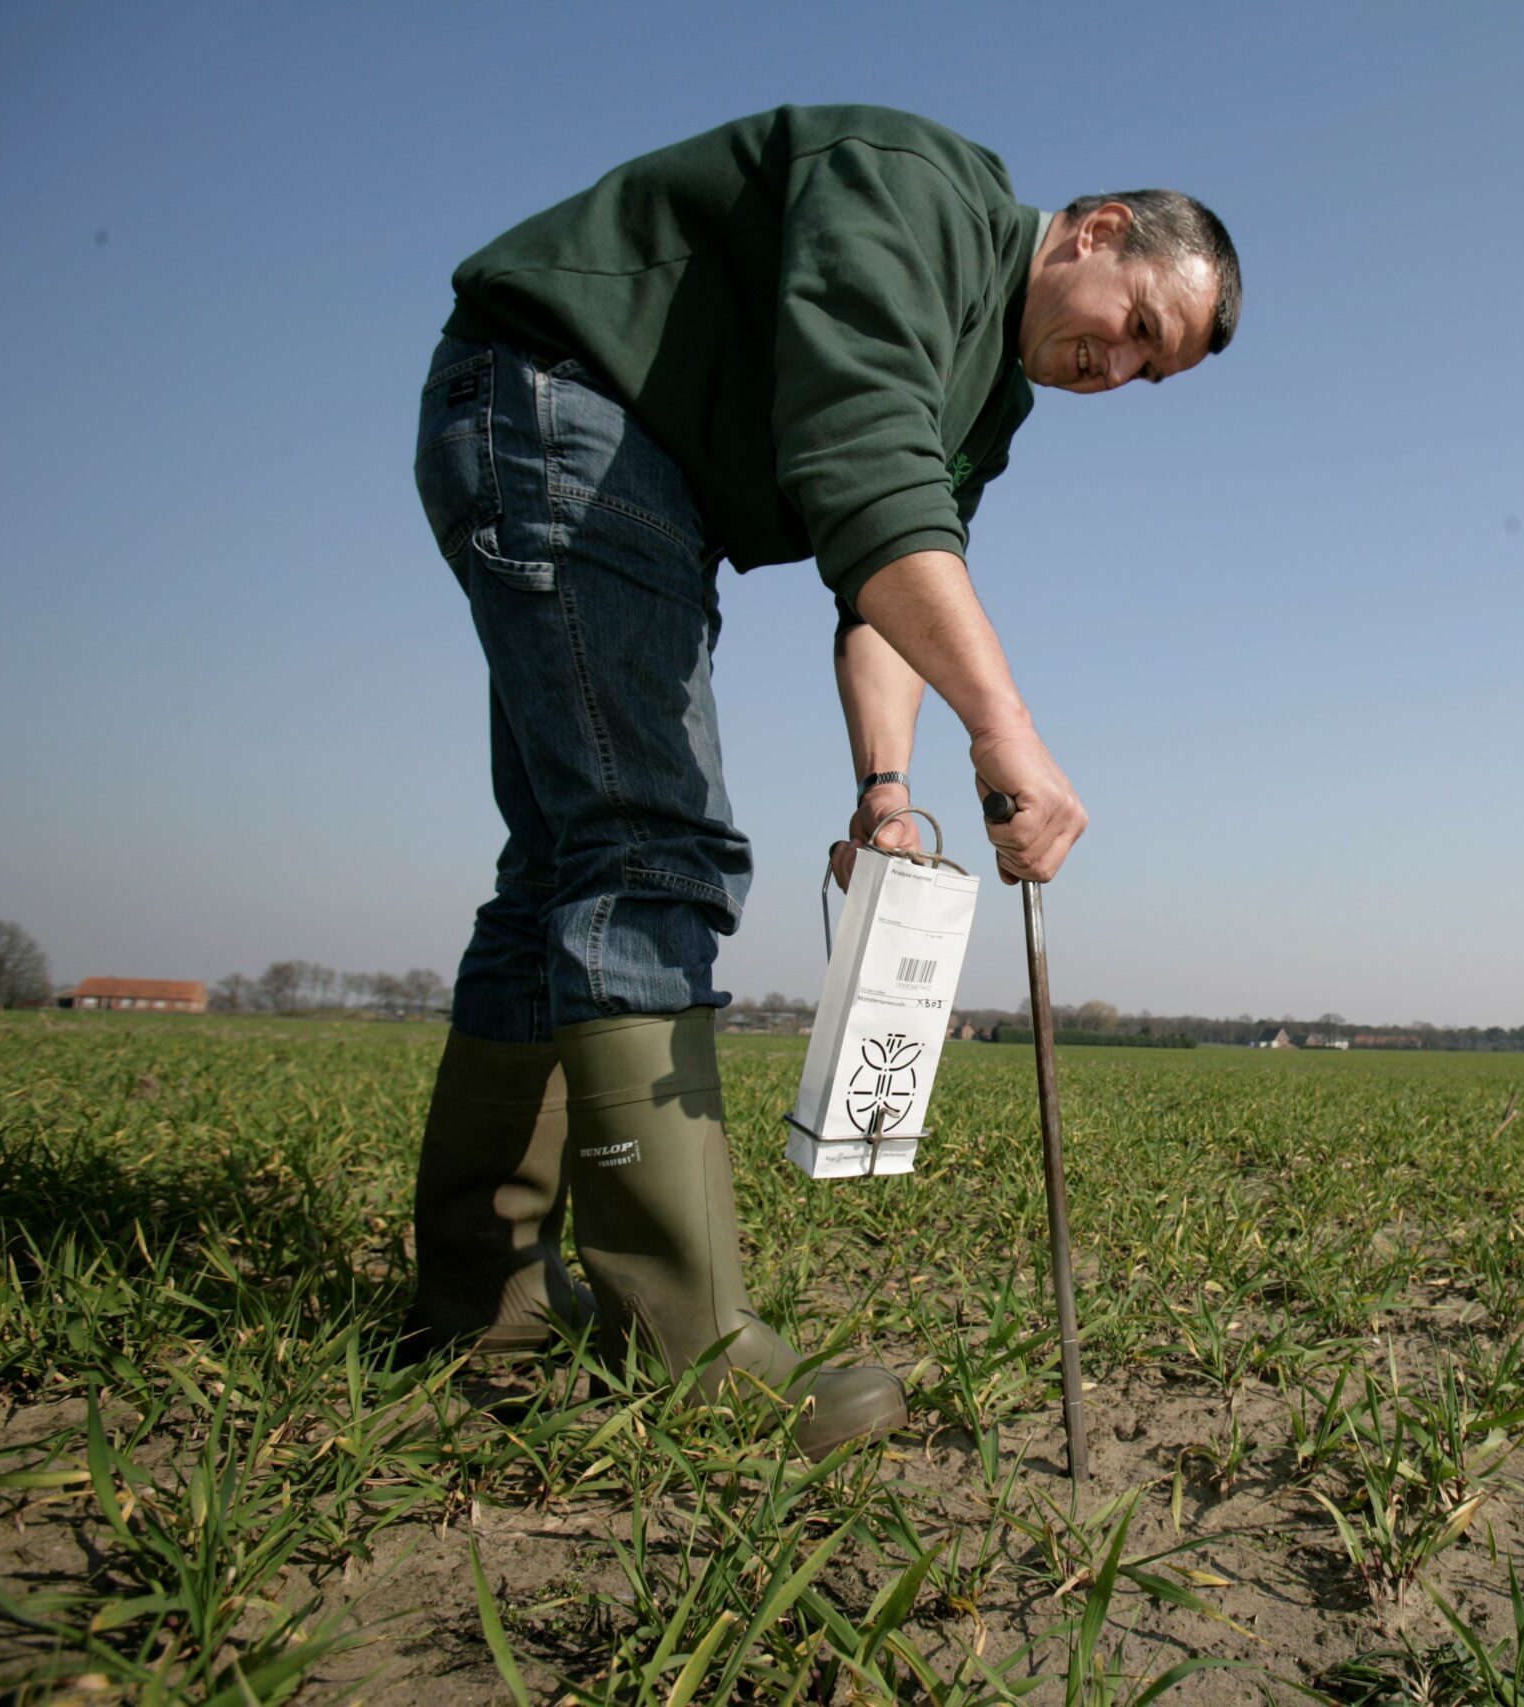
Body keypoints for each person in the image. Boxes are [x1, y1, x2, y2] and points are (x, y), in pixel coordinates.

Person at [393, 105, 1241, 1456]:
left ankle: (476, 1309)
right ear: (1095, 232)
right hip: (567, 407)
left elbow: (887, 587)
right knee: (649, 846)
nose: (1120, 369)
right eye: (1137, 324)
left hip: (612, 458)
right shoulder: (918, 193)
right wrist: (1003, 725)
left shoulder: (989, 395)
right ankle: (685, 1343)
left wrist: (890, 792)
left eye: (1151, 374)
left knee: (565, 866)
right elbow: (863, 468)